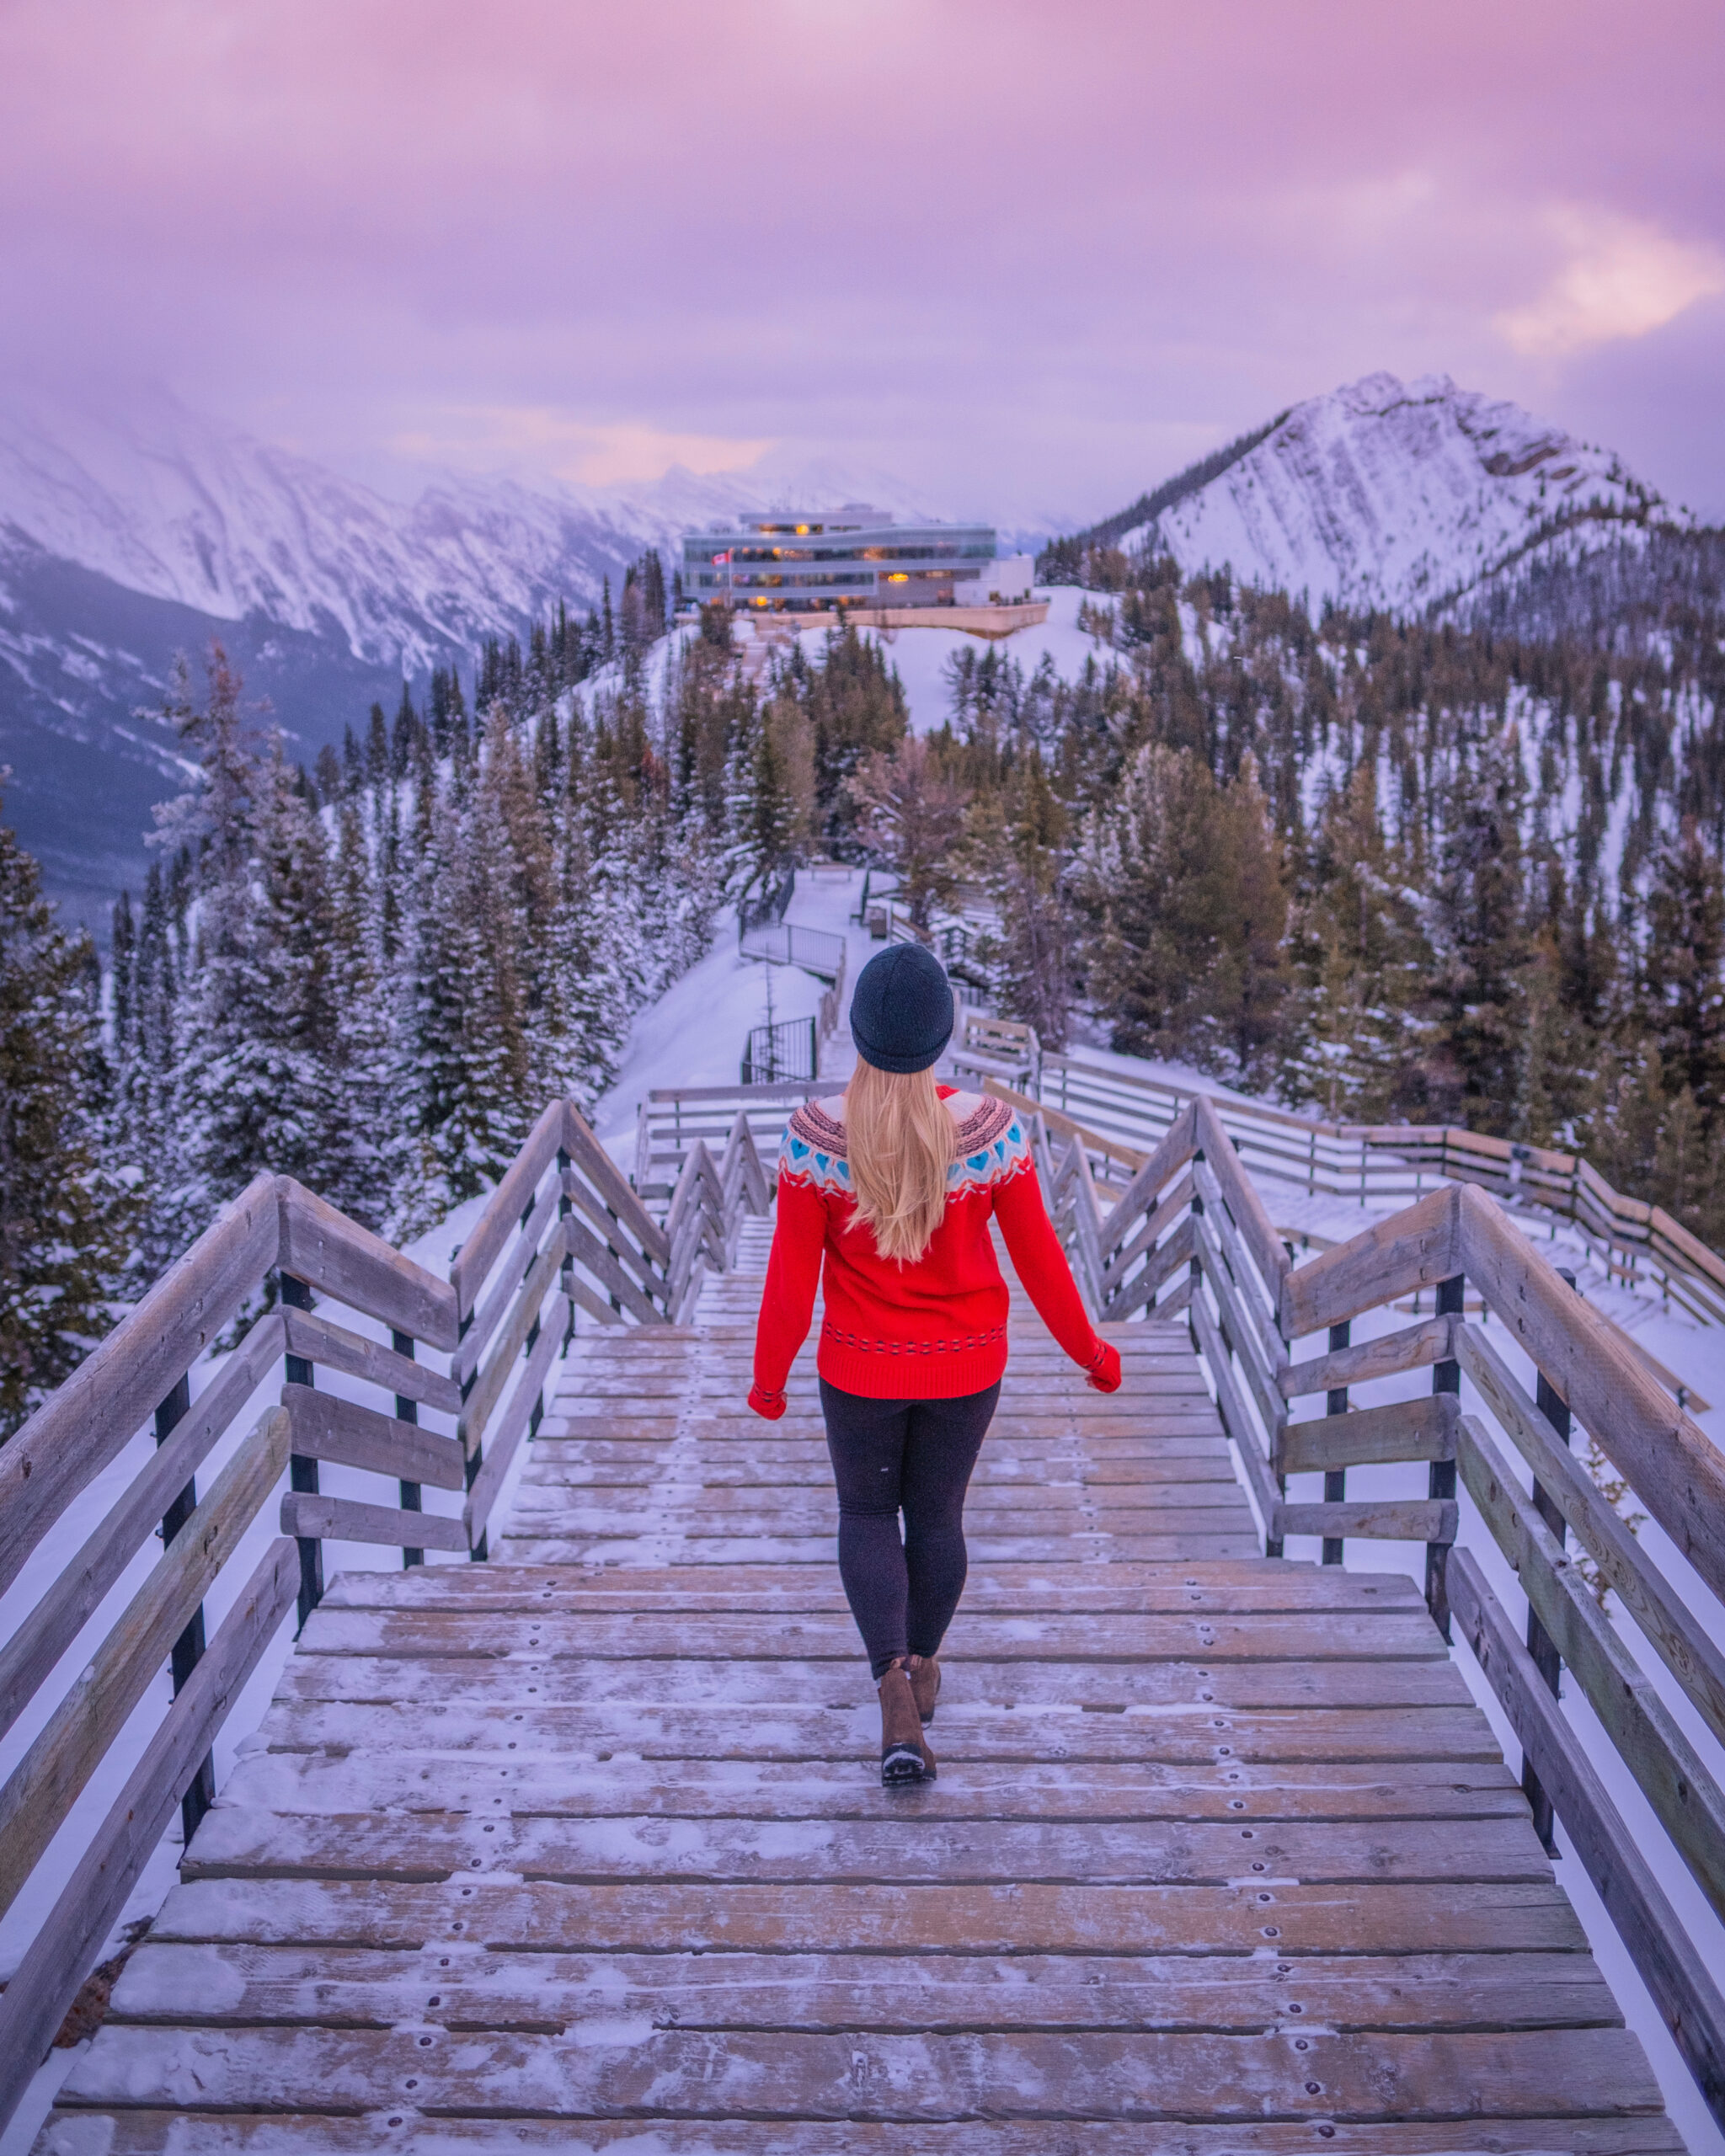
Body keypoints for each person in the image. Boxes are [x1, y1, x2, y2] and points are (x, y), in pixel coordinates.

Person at [749, 942, 1122, 1787]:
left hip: (858, 1371)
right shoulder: (991, 1133)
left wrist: (768, 1379)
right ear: (941, 1037)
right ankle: (921, 1667)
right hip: (965, 1370)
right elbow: (1040, 1265)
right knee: (938, 1517)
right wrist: (1091, 1355)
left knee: (866, 1511)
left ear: (859, 1032)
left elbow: (788, 1279)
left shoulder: (816, 1139)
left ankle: (889, 1680)